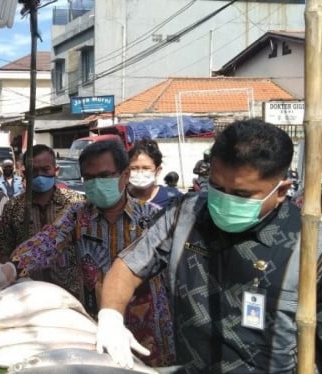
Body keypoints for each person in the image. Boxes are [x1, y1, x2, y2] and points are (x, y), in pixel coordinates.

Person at [97, 119, 322, 372]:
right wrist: (111, 317)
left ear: (281, 191)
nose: (225, 200)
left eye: (241, 195)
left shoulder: (310, 245)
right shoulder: (186, 214)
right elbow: (130, 265)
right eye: (217, 187)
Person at [0, 140, 177, 367]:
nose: (97, 183)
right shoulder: (78, 215)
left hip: (149, 329)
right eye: (89, 178)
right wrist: (13, 266)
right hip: (96, 327)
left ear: (125, 175)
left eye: (105, 175)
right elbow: (47, 241)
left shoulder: (154, 218)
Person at [0, 144, 84, 297]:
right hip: (27, 292)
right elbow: (3, 249)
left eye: (45, 170)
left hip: (69, 292)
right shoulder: (13, 206)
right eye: (34, 171)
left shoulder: (74, 203)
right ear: (24, 173)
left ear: (56, 170)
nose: (40, 176)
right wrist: (13, 272)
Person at [127, 139, 181, 208]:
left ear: (158, 170)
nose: (139, 173)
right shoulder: (122, 200)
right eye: (134, 168)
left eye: (146, 168)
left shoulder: (173, 199)